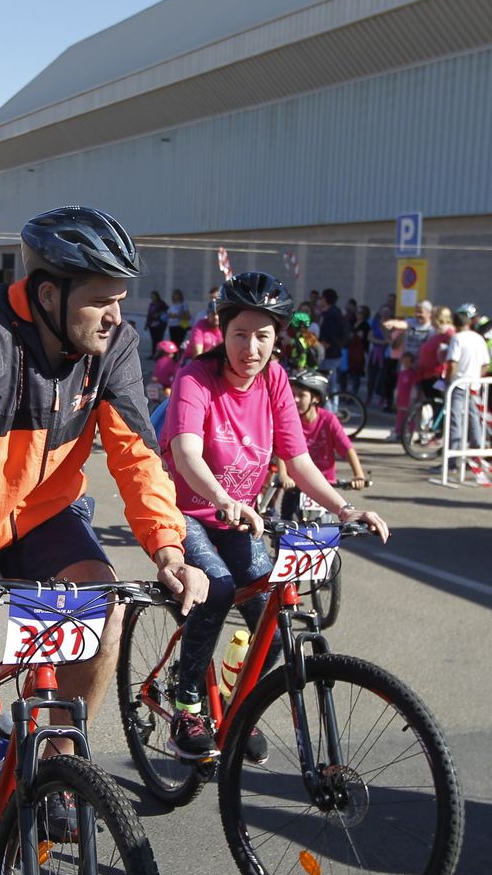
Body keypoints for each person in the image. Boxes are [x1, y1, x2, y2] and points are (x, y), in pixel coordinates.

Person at [0, 205, 207, 875]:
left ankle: (57, 762)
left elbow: (137, 454)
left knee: (105, 606)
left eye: (122, 298)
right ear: (51, 292)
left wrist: (170, 548)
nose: (117, 315)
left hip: (42, 514)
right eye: (102, 299)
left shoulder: (111, 346)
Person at [160, 274, 387, 758]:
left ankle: (240, 704)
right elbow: (185, 453)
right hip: (187, 511)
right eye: (240, 333)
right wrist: (222, 498)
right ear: (223, 331)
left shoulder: (276, 380)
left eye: (263, 335)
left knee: (276, 615)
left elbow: (299, 461)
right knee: (216, 587)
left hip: (241, 520)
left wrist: (345, 508)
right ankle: (187, 705)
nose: (251, 347)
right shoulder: (196, 376)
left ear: (277, 338)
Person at [277, 370, 369, 519]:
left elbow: (347, 449)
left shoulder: (328, 420)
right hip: (295, 486)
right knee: (287, 532)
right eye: (293, 395)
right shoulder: (291, 420)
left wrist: (358, 475)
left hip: (324, 487)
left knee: (326, 533)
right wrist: (283, 475)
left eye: (301, 395)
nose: (295, 400)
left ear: (316, 398)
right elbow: (282, 450)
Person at [442, 307, 491, 470]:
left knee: (455, 420)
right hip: (474, 385)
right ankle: (477, 454)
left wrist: (448, 381)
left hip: (459, 384)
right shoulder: (479, 338)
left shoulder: (457, 339)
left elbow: (452, 363)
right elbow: (486, 364)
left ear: (454, 324)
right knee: (474, 419)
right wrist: (477, 378)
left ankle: (452, 459)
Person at [143, 290, 168, 357]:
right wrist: (146, 324)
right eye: (152, 296)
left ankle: (160, 354)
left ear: (157, 296)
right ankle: (153, 353)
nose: (152, 297)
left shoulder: (161, 303)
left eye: (153, 295)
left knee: (159, 339)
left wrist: (159, 313)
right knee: (154, 340)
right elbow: (149, 315)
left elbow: (167, 309)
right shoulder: (151, 304)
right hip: (152, 324)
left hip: (160, 324)